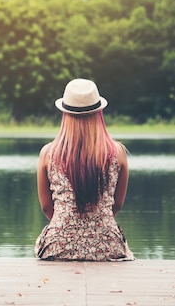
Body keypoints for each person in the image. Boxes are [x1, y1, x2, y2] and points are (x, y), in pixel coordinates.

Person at [34, 78, 135, 261]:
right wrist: (94, 225)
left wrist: (68, 230)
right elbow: (117, 204)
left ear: (65, 114)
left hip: (58, 245)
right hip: (107, 245)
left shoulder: (47, 153)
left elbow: (46, 206)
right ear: (99, 114)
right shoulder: (118, 153)